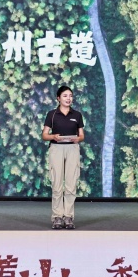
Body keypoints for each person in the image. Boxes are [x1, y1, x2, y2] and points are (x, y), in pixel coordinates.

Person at [42, 85, 85, 230]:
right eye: (65, 96)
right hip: (56, 148)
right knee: (57, 184)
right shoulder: (52, 114)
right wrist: (53, 136)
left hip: (72, 148)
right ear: (58, 98)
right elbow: (44, 135)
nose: (68, 98)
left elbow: (82, 135)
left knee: (71, 184)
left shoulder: (77, 115)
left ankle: (68, 216)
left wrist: (78, 139)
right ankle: (57, 217)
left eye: (70, 96)